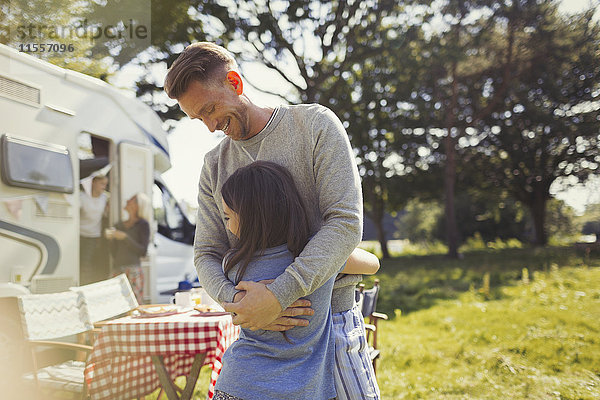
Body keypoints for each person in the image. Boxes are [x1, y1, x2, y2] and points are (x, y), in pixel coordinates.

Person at [164, 42, 376, 397]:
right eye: (198, 118)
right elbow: (206, 253)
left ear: (234, 82)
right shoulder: (215, 165)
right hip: (260, 336)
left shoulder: (314, 126)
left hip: (333, 322)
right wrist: (242, 305)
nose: (210, 126)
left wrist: (279, 294)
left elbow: (345, 223)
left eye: (210, 109)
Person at [215, 161, 379, 400]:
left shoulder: (232, 264)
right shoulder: (317, 259)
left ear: (252, 217)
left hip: (238, 384)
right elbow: (373, 264)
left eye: (228, 217)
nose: (227, 227)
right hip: (304, 390)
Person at [105, 192, 151, 303]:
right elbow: (113, 253)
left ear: (137, 205)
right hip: (117, 271)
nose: (127, 201)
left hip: (133, 272)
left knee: (134, 306)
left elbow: (142, 251)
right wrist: (110, 240)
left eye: (131, 199)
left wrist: (125, 237)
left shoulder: (143, 225)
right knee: (116, 306)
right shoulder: (118, 225)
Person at [79, 174, 109, 284]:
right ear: (93, 183)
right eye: (101, 184)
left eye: (105, 184)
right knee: (80, 263)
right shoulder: (82, 196)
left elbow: (107, 214)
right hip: (80, 235)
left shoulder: (105, 198)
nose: (104, 187)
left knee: (88, 264)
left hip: (94, 237)